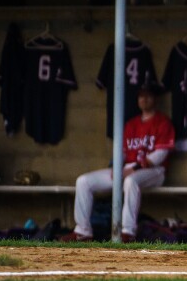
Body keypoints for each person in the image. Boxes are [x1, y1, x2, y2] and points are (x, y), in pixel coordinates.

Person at [60, 85, 175, 242]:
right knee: (84, 181)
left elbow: (160, 155)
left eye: (148, 96)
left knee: (130, 181)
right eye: (141, 96)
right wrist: (116, 166)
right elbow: (121, 152)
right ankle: (82, 231)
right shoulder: (131, 124)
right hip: (128, 168)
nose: (144, 99)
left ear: (155, 99)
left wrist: (133, 168)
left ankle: (128, 232)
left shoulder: (163, 122)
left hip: (155, 171)